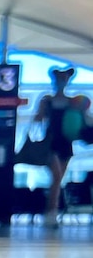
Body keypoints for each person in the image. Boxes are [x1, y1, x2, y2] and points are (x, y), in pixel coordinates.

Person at [32, 67, 92, 228]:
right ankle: (51, 212)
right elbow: (38, 119)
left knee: (58, 180)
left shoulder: (73, 102)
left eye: (64, 79)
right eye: (60, 78)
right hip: (51, 143)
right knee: (57, 177)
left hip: (66, 143)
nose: (62, 82)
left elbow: (83, 119)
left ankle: (51, 212)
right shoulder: (47, 100)